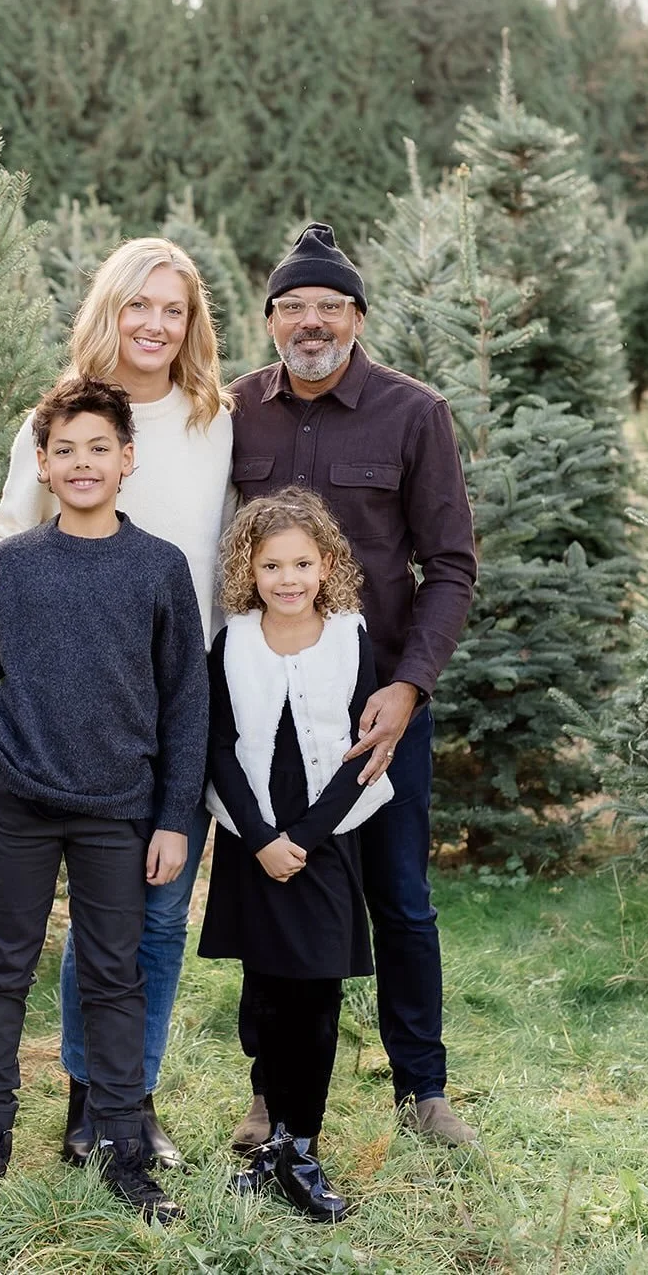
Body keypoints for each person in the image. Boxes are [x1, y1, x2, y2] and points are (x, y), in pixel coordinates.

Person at [0, 237, 235, 1167]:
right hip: (73, 711)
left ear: (191, 323)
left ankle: (132, 1100)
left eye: (173, 309)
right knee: (97, 921)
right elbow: (10, 533)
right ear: (109, 310)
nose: (155, 324)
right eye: (138, 305)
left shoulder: (214, 420)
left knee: (154, 914)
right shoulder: (61, 417)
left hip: (175, 700)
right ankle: (88, 1100)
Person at [227, 223, 479, 1149]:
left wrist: (408, 686)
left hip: (378, 707)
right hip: (269, 705)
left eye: (329, 306)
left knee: (400, 895)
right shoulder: (233, 410)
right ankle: (269, 1091)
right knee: (279, 889)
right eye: (292, 306)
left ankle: (423, 1089)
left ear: (358, 317)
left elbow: (450, 565)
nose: (311, 322)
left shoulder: (414, 413)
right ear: (269, 320)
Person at [0, 378, 207, 1220]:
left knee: (113, 977)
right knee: (2, 970)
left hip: (116, 809)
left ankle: (124, 1152)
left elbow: (186, 703)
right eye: (65, 450)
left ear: (127, 459)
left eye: (99, 447)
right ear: (42, 464)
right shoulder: (16, 566)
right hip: (19, 804)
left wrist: (173, 817)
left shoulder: (158, 568)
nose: (82, 462)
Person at [200, 488, 393, 1222]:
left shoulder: (350, 637)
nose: (288, 578)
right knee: (265, 995)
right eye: (272, 565)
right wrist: (260, 839)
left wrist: (305, 839)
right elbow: (219, 747)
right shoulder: (233, 641)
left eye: (302, 564)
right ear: (248, 570)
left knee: (314, 996)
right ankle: (271, 1143)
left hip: (324, 838)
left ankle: (301, 1148)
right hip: (253, 838)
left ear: (327, 566)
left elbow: (364, 750)